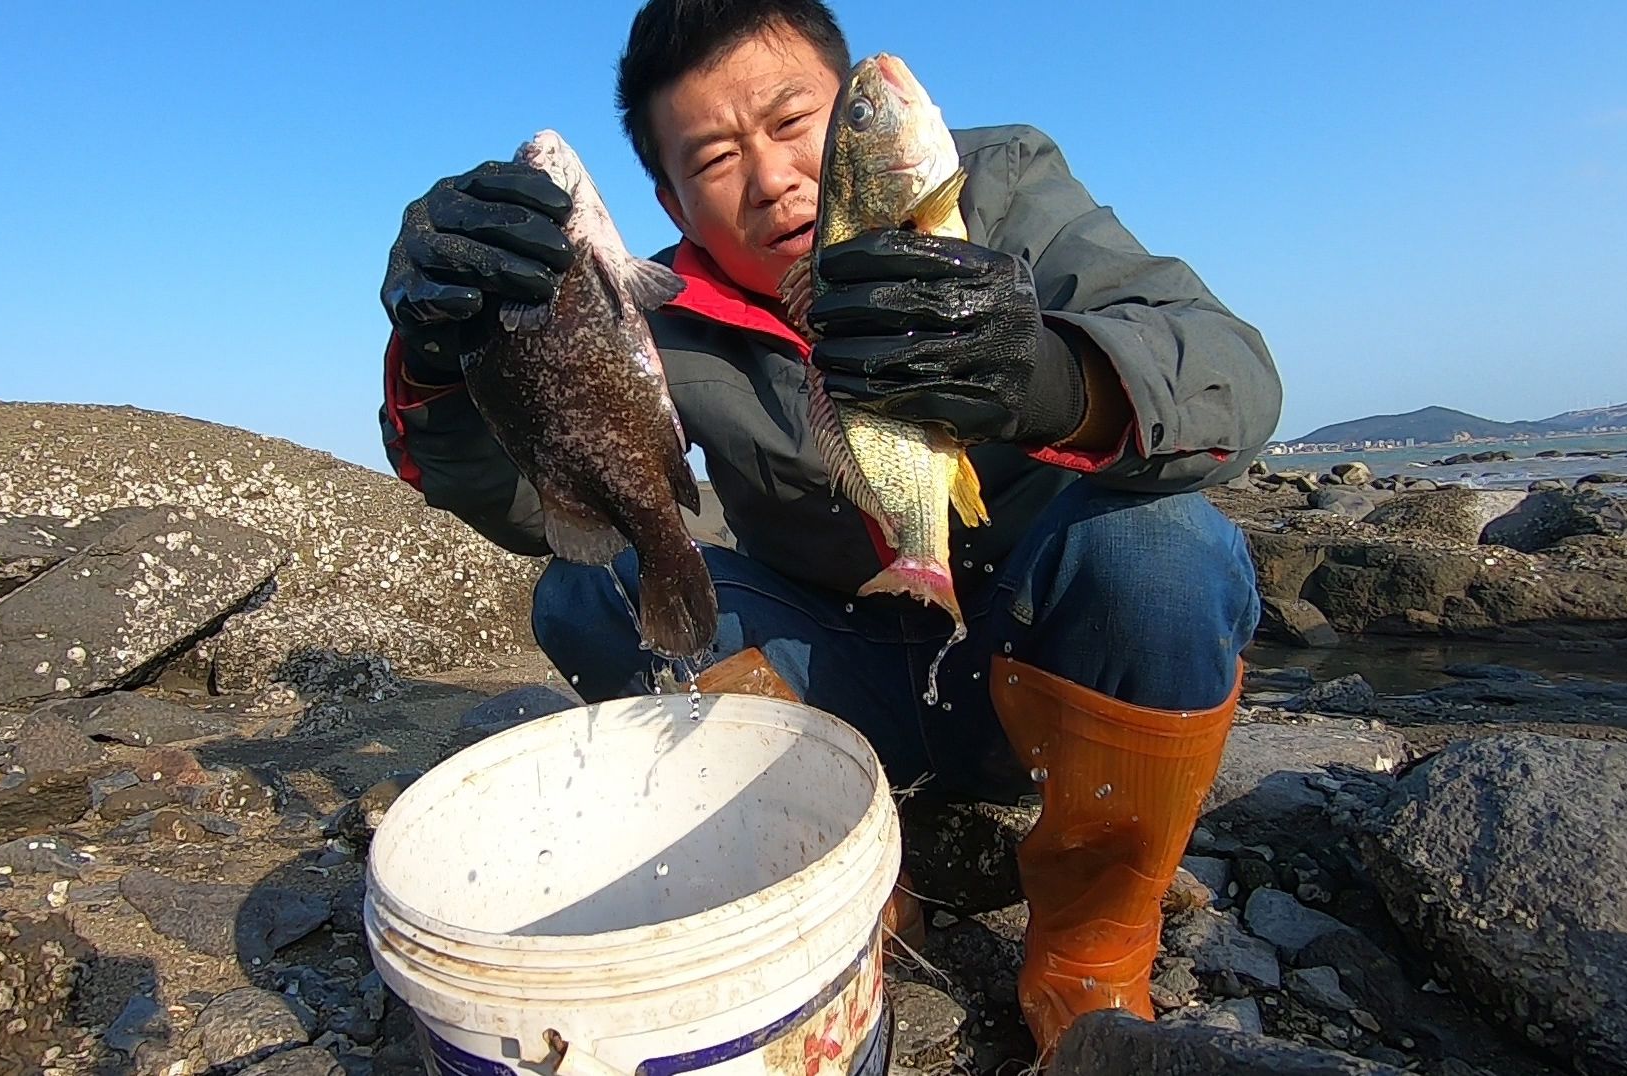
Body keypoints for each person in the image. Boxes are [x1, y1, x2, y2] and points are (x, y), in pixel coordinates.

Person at [376, 0, 1280, 1060]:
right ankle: (841, 872)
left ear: (855, 107)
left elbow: (1228, 370)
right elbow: (534, 505)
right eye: (714, 156)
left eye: (795, 120)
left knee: (1166, 545)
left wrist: (1049, 376)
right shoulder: (637, 316)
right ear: (668, 197)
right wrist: (443, 360)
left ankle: (1090, 943)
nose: (769, 179)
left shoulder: (996, 190)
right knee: (589, 587)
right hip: (824, 690)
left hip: (1028, 666)